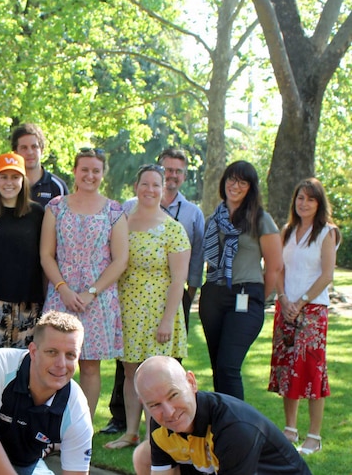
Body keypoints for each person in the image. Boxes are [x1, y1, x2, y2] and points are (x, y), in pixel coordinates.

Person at [103, 148, 205, 435]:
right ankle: (131, 432)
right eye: (145, 184)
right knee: (129, 372)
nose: (150, 189)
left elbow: (179, 279)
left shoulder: (172, 229)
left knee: (157, 376)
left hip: (160, 310)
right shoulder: (121, 222)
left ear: (164, 190)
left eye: (156, 185)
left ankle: (155, 437)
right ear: (136, 187)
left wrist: (167, 320)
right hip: (127, 308)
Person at [0, 311, 93, 475]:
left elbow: (76, 472)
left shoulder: (76, 406)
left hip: (24, 464)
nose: (61, 364)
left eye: (70, 355)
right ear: (33, 351)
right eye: (52, 352)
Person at [40, 147, 128, 420]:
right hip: (60, 294)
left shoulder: (114, 211)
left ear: (103, 174)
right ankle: (50, 424)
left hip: (98, 298)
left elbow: (120, 259)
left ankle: (82, 427)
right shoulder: (56, 207)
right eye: (85, 169)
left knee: (90, 366)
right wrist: (63, 288)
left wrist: (91, 292)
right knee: (54, 363)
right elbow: (46, 254)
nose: (90, 175)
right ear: (75, 171)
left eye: (96, 170)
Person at [132, 356, 312, 475]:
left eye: (173, 395)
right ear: (144, 404)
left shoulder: (234, 428)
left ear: (191, 382)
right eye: (155, 404)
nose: (169, 412)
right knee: (143, 456)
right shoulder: (162, 423)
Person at [199, 160, 282, 400]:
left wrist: (256, 297)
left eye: (242, 182)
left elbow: (274, 266)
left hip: (246, 295)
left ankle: (237, 426)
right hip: (213, 295)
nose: (235, 186)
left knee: (229, 366)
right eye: (231, 179)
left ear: (250, 188)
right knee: (218, 367)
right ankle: (221, 423)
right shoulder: (213, 219)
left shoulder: (260, 219)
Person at [269, 178, 339, 455]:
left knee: (312, 371)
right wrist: (285, 299)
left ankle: (314, 436)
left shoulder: (327, 233)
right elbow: (278, 269)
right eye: (300, 198)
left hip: (312, 311)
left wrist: (301, 301)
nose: (304, 203)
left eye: (310, 199)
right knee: (287, 370)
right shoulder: (287, 231)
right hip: (285, 307)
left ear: (319, 203)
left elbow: (327, 275)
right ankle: (290, 430)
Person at [0, 152, 45, 352]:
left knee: (23, 361)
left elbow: (46, 255)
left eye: (15, 177)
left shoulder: (37, 214)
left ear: (23, 180)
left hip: (28, 301)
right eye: (4, 177)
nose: (9, 182)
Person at [10, 123, 68, 206]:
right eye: (24, 148)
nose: (29, 152)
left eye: (34, 147)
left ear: (42, 150)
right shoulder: (8, 185)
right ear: (16, 153)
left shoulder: (58, 187)